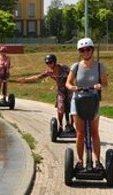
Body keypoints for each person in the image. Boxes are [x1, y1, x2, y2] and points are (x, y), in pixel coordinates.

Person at [65, 38, 108, 170]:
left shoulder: (100, 66)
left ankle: (97, 162)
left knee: (94, 132)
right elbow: (68, 83)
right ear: (80, 52)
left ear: (92, 50)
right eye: (82, 50)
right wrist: (72, 88)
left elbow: (105, 84)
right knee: (80, 133)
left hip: (93, 100)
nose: (85, 52)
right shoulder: (76, 66)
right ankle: (80, 161)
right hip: (78, 100)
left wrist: (100, 85)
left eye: (88, 49)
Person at [17, 54, 72, 132]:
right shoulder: (49, 72)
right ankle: (60, 126)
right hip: (61, 91)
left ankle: (71, 125)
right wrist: (25, 79)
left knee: (73, 109)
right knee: (61, 108)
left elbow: (73, 74)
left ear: (54, 62)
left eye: (50, 62)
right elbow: (38, 77)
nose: (49, 64)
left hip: (70, 89)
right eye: (47, 63)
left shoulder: (63, 67)